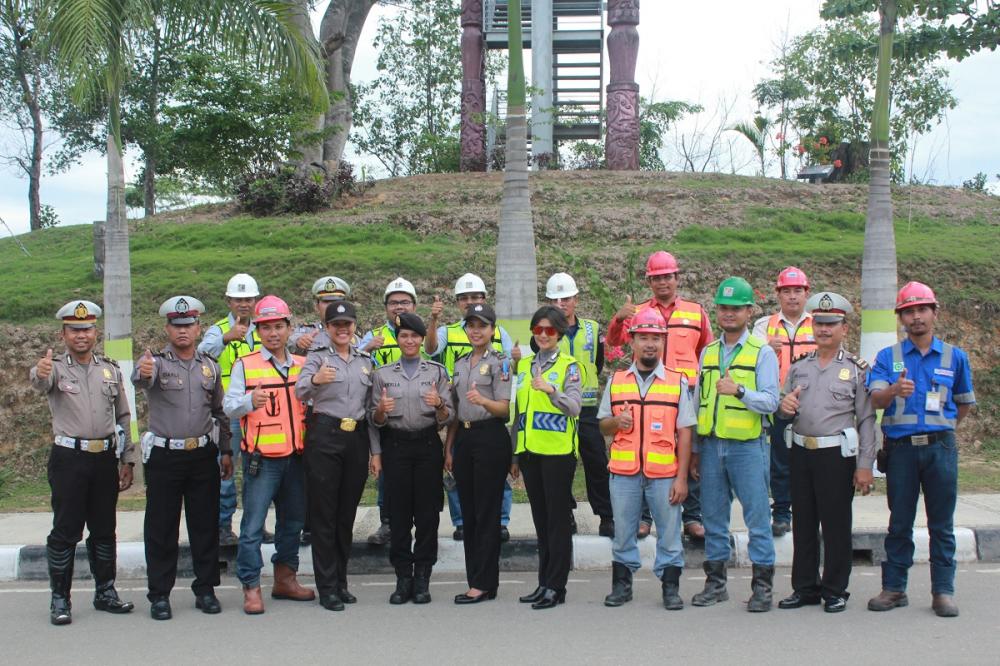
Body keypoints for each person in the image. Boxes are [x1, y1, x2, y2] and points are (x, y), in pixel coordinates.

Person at [866, 282, 976, 618]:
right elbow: (875, 398)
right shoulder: (889, 357)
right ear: (901, 317)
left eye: (922, 310)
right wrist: (894, 391)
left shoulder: (954, 357)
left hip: (940, 448)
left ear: (934, 313)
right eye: (909, 311)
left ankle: (943, 591)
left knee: (941, 524)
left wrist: (942, 427)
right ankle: (894, 588)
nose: (916, 317)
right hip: (900, 451)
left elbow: (964, 404)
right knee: (899, 522)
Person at [30, 300, 136, 625]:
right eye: (74, 330)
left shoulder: (110, 369)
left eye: (87, 329)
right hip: (69, 460)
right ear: (63, 334)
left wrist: (128, 458)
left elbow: (123, 414)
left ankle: (106, 592)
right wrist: (39, 372)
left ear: (95, 332)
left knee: (105, 529)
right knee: (65, 531)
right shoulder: (56, 368)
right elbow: (39, 381)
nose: (81, 335)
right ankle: (60, 599)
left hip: (104, 458)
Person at [774, 292, 876, 613]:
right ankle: (804, 587)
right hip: (802, 452)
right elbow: (782, 408)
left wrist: (864, 466)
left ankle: (834, 589)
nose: (824, 329)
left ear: (844, 328)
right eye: (819, 323)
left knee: (835, 525)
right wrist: (784, 407)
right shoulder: (799, 367)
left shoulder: (857, 369)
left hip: (836, 457)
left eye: (831, 324)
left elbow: (867, 420)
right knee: (803, 523)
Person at [135, 297, 232, 621]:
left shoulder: (210, 366)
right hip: (166, 455)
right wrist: (142, 370)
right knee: (162, 528)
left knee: (204, 525)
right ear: (167, 329)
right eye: (176, 326)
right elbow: (141, 378)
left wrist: (227, 451)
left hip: (203, 455)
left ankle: (206, 589)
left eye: (188, 325)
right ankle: (159, 594)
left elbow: (220, 413)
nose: (183, 331)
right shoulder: (157, 363)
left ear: (198, 327)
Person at [607, 251, 713, 540]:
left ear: (677, 278)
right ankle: (644, 518)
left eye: (667, 276)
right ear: (649, 281)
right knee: (646, 448)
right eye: (656, 278)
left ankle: (692, 516)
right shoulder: (638, 312)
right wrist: (618, 319)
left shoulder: (695, 311)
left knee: (691, 452)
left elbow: (707, 350)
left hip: (688, 391)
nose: (663, 282)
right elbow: (615, 343)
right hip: (648, 389)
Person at [691, 277, 779, 612]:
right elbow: (701, 401)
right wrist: (697, 451)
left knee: (757, 519)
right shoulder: (709, 352)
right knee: (713, 518)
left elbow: (772, 401)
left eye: (736, 308)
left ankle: (762, 589)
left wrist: (741, 392)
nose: (729, 314)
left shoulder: (762, 352)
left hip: (748, 447)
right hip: (713, 446)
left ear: (748, 311)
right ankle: (716, 585)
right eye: (724, 308)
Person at [223, 296, 314, 614]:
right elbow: (228, 407)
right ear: (258, 332)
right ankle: (250, 587)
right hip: (261, 461)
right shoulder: (245, 365)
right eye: (266, 328)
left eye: (279, 326)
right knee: (252, 526)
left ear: (289, 328)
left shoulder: (303, 366)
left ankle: (285, 578)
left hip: (296, 457)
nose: (273, 333)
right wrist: (250, 401)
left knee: (293, 523)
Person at [599, 308, 694, 611]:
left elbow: (686, 431)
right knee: (624, 531)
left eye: (656, 338)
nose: (650, 344)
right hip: (624, 473)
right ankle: (622, 586)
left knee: (668, 532)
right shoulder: (616, 381)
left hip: (664, 472)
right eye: (644, 338)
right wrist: (617, 422)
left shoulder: (677, 382)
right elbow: (602, 425)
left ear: (663, 342)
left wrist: (681, 478)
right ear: (632, 341)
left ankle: (670, 587)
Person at [295, 301, 381, 612]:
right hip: (325, 436)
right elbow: (300, 391)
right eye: (336, 325)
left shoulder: (364, 361)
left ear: (354, 326)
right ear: (327, 328)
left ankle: (341, 582)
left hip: (356, 438)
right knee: (324, 515)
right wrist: (317, 380)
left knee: (346, 515)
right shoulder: (317, 358)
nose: (342, 329)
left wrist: (376, 452)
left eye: (347, 324)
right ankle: (327, 586)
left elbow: (371, 411)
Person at [425, 272, 514, 541]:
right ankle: (462, 521)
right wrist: (433, 319)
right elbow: (429, 349)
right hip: (459, 412)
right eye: (463, 298)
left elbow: (510, 368)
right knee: (458, 478)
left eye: (474, 296)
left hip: (492, 416)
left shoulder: (500, 336)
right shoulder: (449, 332)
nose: (469, 301)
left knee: (498, 481)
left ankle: (500, 520)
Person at [371, 312, 452, 604]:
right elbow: (374, 420)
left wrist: (439, 403)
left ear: (421, 340)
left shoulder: (436, 372)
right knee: (399, 514)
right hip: (395, 448)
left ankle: (422, 579)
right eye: (403, 335)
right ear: (398, 338)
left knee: (428, 514)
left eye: (414, 336)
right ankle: (403, 577)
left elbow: (448, 416)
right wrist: (381, 410)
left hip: (427, 446)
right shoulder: (382, 374)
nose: (409, 340)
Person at [513, 306, 583, 610]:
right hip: (530, 453)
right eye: (538, 330)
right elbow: (520, 414)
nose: (543, 335)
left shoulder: (570, 366)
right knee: (541, 522)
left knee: (557, 523)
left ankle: (557, 586)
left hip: (557, 453)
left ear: (559, 333)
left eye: (549, 330)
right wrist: (515, 453)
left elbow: (575, 407)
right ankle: (543, 583)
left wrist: (552, 390)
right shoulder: (524, 365)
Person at [445, 304, 513, 604]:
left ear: (492, 330)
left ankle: (484, 583)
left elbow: (505, 408)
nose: (475, 331)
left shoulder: (500, 363)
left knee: (486, 513)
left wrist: (484, 401)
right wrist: (449, 448)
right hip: (465, 438)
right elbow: (456, 413)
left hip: (490, 437)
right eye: (471, 325)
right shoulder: (459, 363)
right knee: (469, 514)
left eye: (482, 326)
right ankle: (478, 579)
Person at [545, 272, 614, 538]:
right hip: (558, 408)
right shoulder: (546, 330)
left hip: (586, 408)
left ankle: (606, 516)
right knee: (562, 465)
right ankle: (566, 515)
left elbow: (597, 362)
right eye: (555, 300)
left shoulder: (592, 328)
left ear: (576, 299)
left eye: (566, 298)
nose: (561, 304)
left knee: (596, 461)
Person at [751, 266, 815, 537]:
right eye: (786, 291)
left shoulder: (819, 322)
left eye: (797, 291)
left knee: (810, 460)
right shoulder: (764, 326)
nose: (792, 297)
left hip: (812, 403)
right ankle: (781, 512)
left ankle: (808, 511)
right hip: (777, 403)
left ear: (806, 293)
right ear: (778, 294)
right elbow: (749, 360)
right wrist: (766, 346)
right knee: (780, 461)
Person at [198, 273, 261, 546]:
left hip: (259, 412)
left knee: (255, 473)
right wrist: (227, 337)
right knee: (225, 470)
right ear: (228, 301)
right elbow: (202, 351)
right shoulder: (218, 328)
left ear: (255, 301)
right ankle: (223, 527)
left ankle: (253, 524)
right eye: (238, 300)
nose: (243, 304)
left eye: (248, 299)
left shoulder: (265, 327)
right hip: (228, 415)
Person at [359, 277, 422, 545]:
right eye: (394, 303)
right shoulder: (373, 336)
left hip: (416, 414)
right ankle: (387, 522)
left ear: (414, 305)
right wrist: (366, 347)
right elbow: (354, 360)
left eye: (405, 302)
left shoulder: (421, 332)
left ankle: (419, 523)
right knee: (385, 473)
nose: (399, 307)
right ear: (385, 307)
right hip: (381, 414)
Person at [290, 275, 353, 355]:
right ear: (317, 307)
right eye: (326, 302)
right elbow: (289, 343)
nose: (331, 306)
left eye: (335, 302)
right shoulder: (306, 331)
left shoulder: (352, 333)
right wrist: (298, 342)